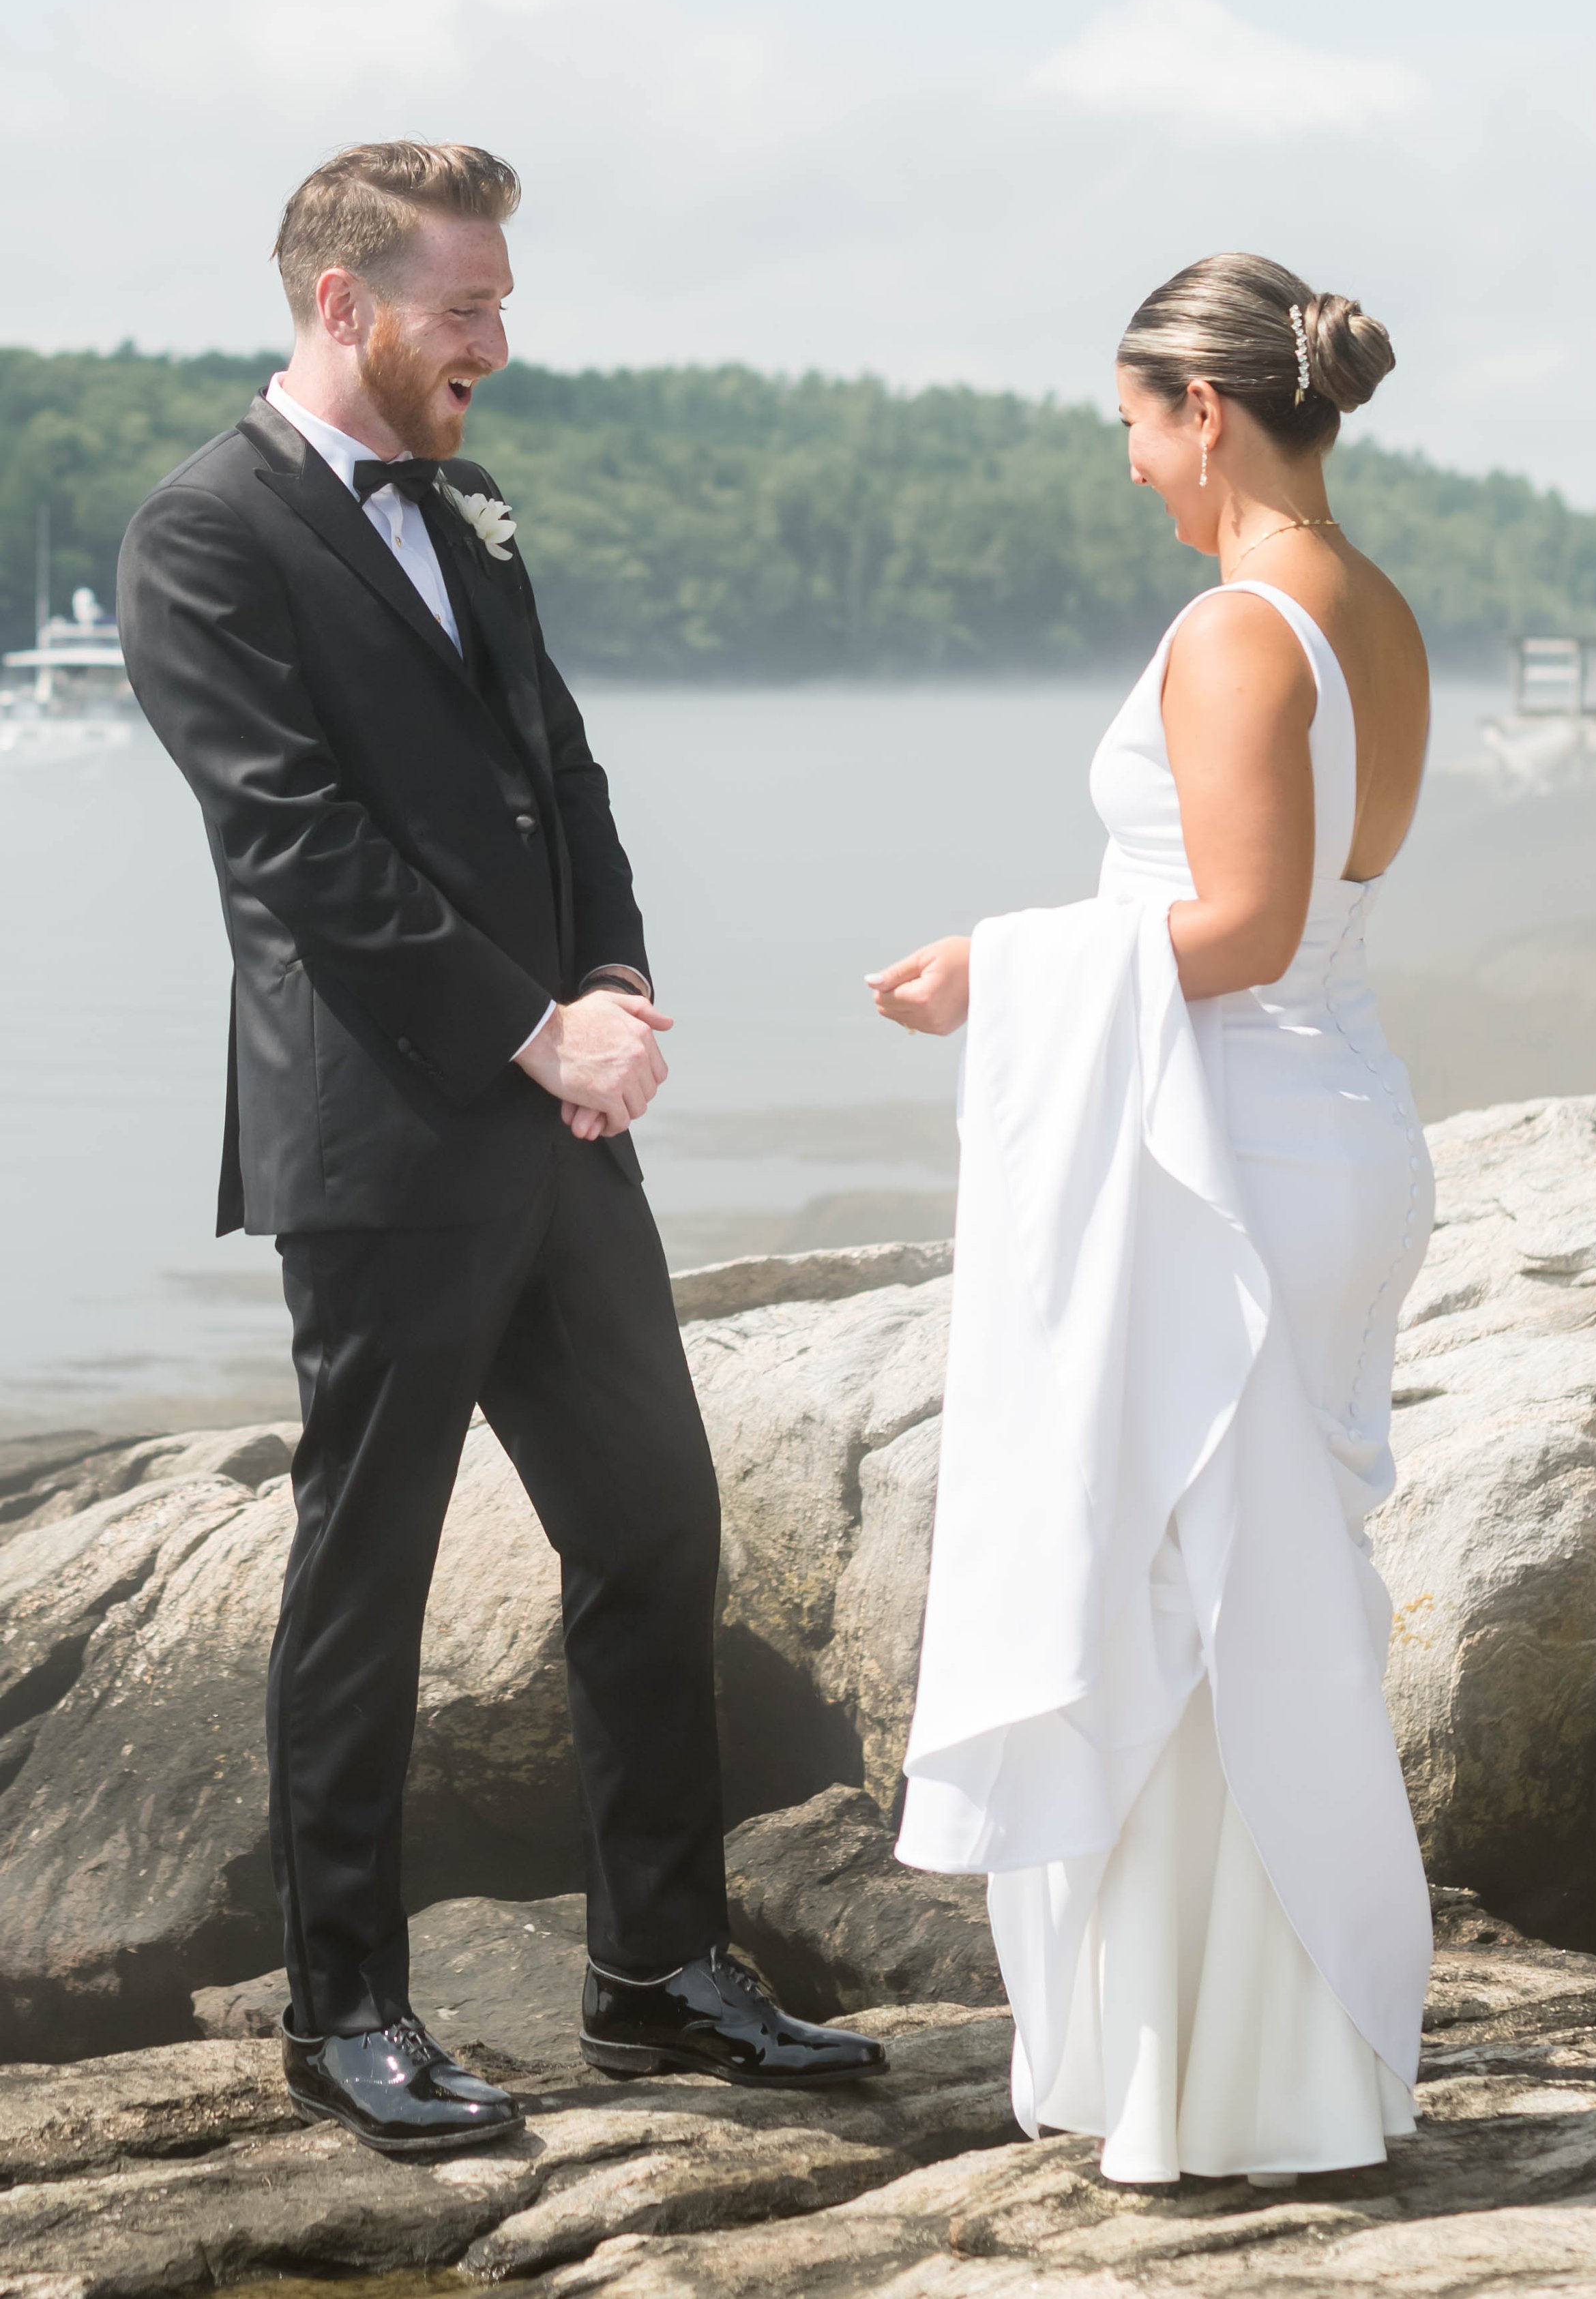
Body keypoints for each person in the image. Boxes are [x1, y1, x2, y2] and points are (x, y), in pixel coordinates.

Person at [117, 140, 883, 2152]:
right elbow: (293, 844)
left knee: (652, 1530)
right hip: (380, 1147)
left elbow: (563, 771)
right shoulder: (201, 532)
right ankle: (344, 2013)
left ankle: (658, 1975)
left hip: (560, 1128)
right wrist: (533, 1030)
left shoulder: (473, 512)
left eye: (504, 301)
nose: (500, 342)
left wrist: (615, 988)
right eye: (468, 304)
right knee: (361, 1578)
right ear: (344, 304)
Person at [868, 253, 1433, 2186]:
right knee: (1264, 1597)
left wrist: (996, 972)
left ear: (1203, 411)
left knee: (1200, 1603)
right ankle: (1277, 2056)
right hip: (1330, 1122)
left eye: (1132, 423)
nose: (1127, 468)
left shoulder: (1233, 631)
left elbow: (1243, 925)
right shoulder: (1377, 612)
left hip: (1235, 1153)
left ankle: (1225, 2083)